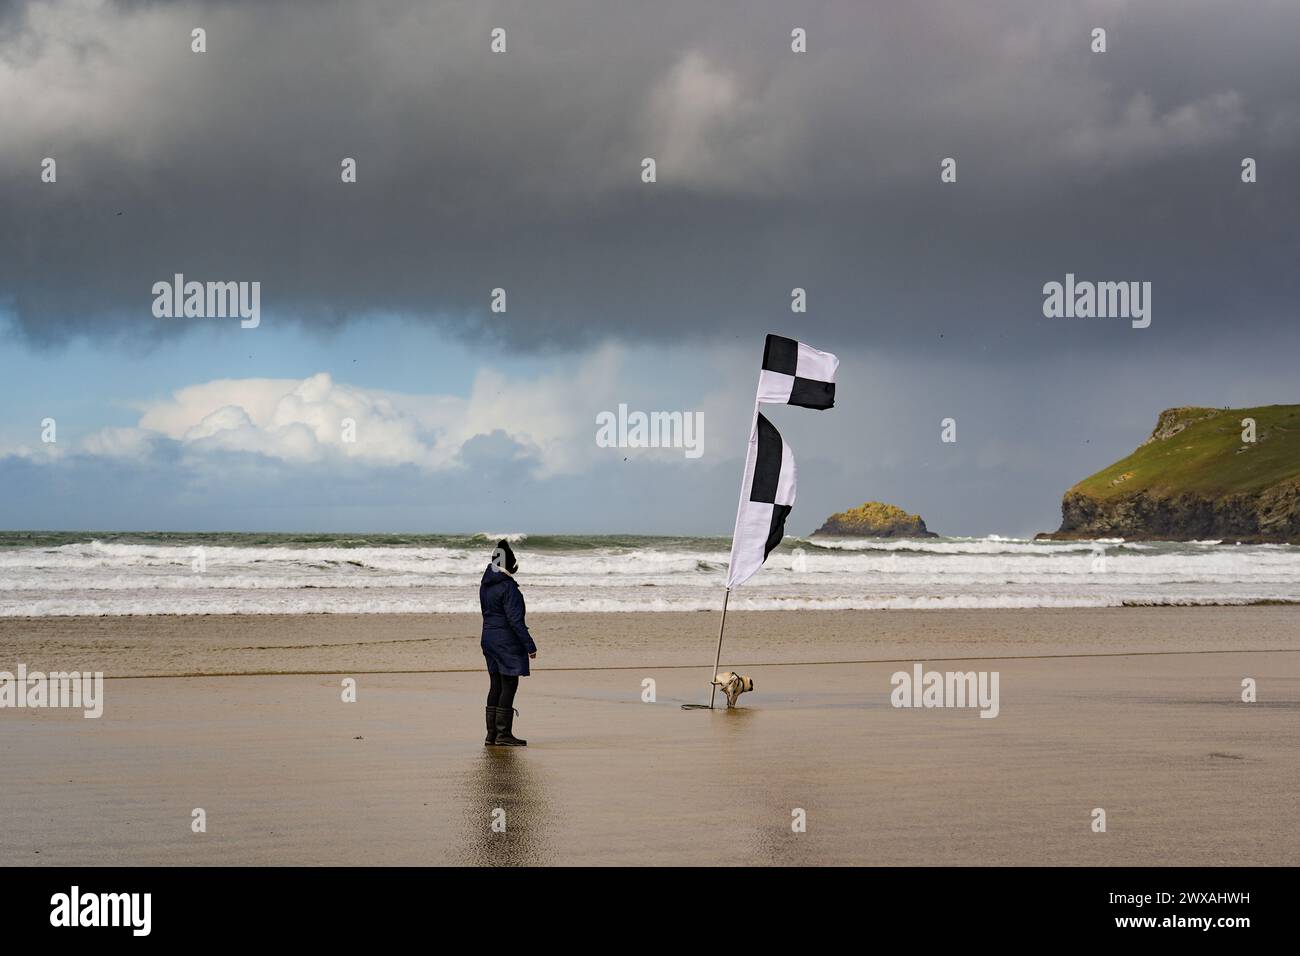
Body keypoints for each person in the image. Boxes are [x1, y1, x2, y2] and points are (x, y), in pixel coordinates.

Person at [480, 539, 536, 746]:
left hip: (488, 639)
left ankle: (491, 735)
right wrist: (530, 646)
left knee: (496, 684)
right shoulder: (508, 587)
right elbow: (515, 620)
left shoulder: (485, 585)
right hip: (506, 641)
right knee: (509, 683)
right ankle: (503, 734)